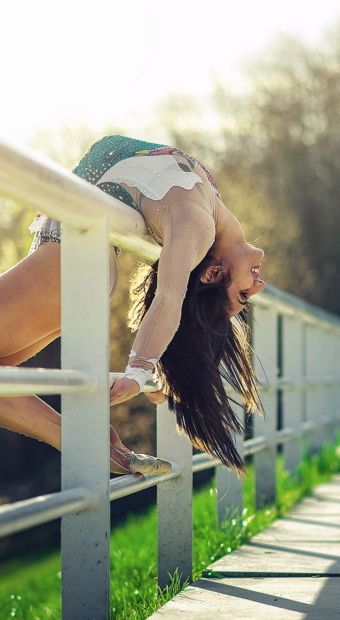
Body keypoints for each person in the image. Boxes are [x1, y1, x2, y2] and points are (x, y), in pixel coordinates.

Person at [0, 135, 265, 477]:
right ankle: (85, 440)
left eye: (245, 294)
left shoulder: (197, 227)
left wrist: (139, 371)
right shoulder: (208, 212)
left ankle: (78, 440)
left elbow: (170, 299)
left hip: (71, 263)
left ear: (214, 274)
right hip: (76, 266)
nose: (259, 285)